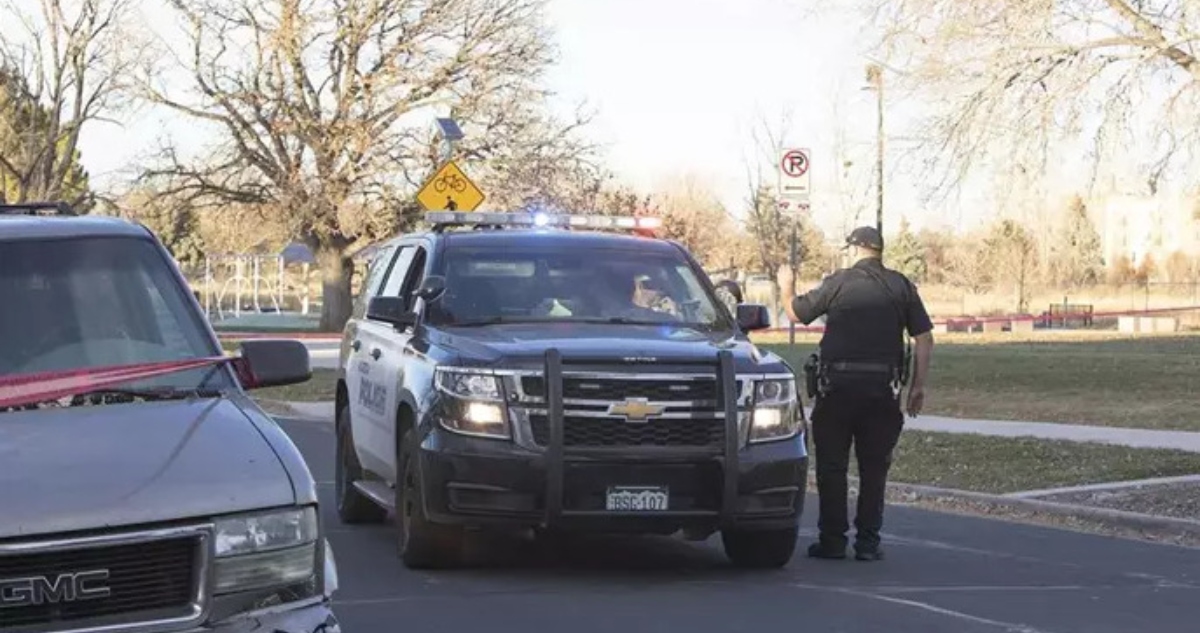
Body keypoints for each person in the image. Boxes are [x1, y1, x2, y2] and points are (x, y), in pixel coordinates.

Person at [785, 225, 934, 561]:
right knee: (874, 468)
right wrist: (918, 387)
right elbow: (924, 338)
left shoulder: (839, 282)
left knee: (832, 466)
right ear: (879, 250)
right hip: (883, 391)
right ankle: (868, 542)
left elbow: (797, 312)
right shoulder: (901, 286)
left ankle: (833, 540)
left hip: (836, 390)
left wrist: (786, 287)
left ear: (855, 250)